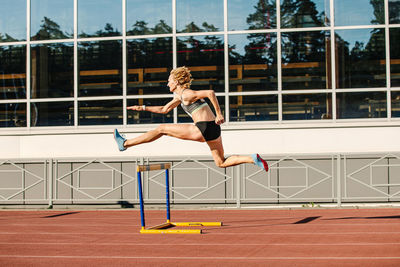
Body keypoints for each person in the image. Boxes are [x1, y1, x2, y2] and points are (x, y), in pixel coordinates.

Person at [113, 66, 268, 172]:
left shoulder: (187, 94)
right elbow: (164, 109)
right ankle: (252, 158)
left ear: (177, 81)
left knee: (161, 129)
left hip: (203, 128)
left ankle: (125, 143)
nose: (167, 84)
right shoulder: (180, 97)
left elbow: (210, 93)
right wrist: (143, 108)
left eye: (169, 81)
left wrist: (219, 114)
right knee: (221, 162)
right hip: (213, 131)